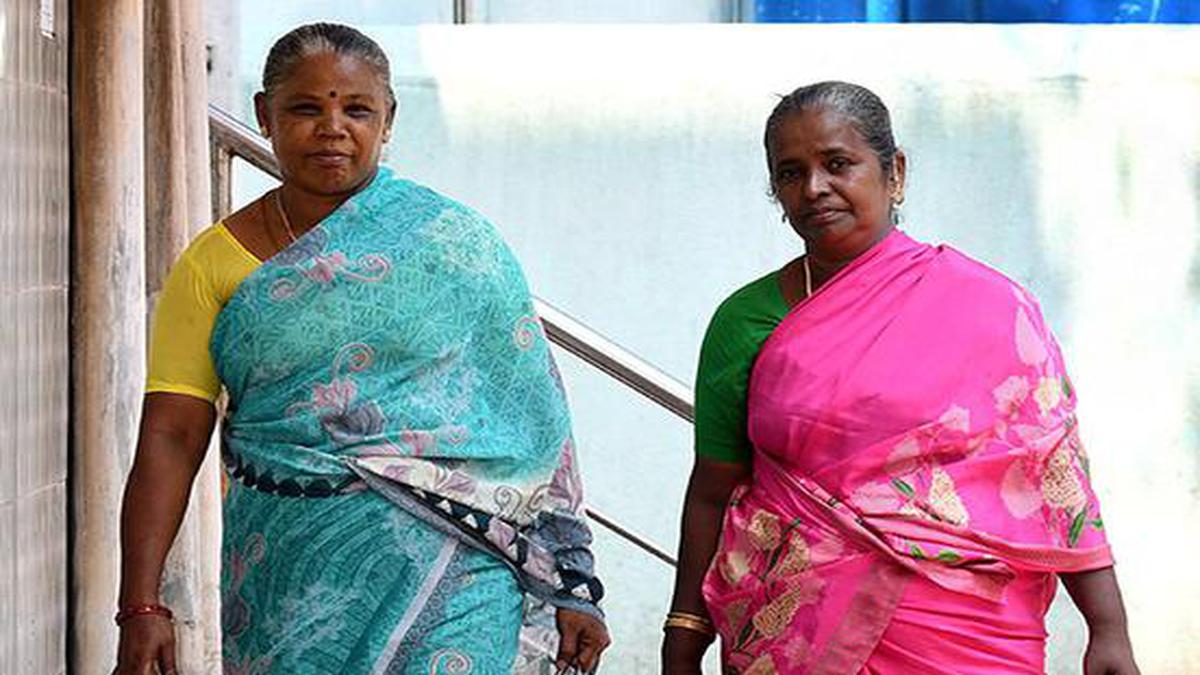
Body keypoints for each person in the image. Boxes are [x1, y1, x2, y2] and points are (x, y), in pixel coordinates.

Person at [114, 23, 609, 675]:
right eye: (305, 107)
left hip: (458, 571)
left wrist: (571, 578)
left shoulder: (456, 247)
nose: (332, 127)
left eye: (356, 108)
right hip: (292, 586)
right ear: (264, 114)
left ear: (388, 118)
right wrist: (140, 604)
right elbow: (172, 434)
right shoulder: (213, 265)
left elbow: (534, 427)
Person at [661, 81, 1139, 674]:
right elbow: (713, 486)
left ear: (895, 172)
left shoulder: (989, 307)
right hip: (796, 636)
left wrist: (1108, 628)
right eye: (790, 173)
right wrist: (684, 633)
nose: (814, 189)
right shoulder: (745, 321)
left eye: (838, 164)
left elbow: (1054, 469)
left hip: (967, 634)